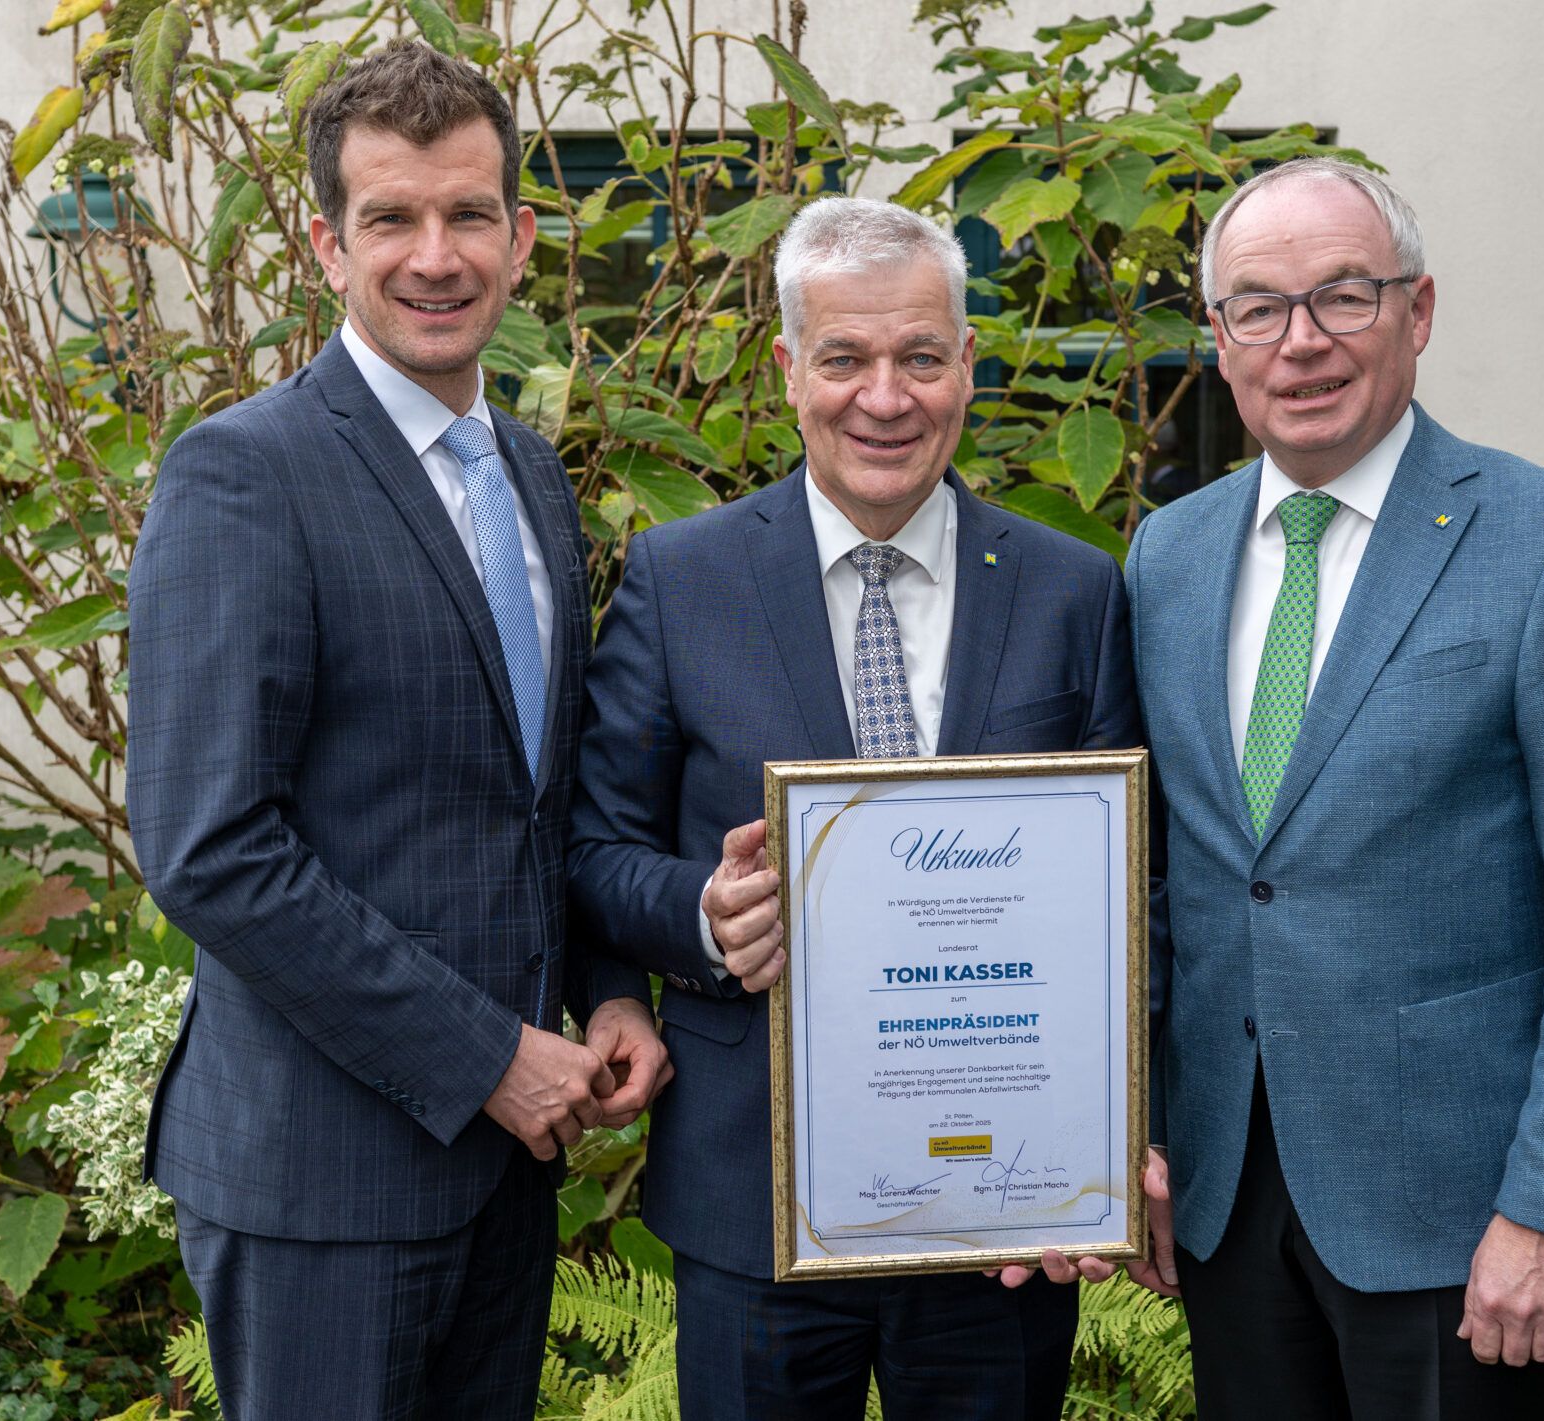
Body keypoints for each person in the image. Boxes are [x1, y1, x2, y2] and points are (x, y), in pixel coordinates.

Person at [127, 41, 669, 1421]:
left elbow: (538, 804)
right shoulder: (246, 474)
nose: (437, 255)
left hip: (504, 1172)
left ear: (521, 234)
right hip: (323, 1182)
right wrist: (486, 1054)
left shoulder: (534, 476)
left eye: (469, 214)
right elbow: (209, 847)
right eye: (392, 219)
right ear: (326, 244)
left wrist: (608, 991)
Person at [1118, 157, 1544, 1416]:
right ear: (1216, 341)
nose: (1299, 342)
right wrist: (1134, 1136)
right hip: (1222, 1200)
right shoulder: (1168, 551)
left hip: (1459, 1220)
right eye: (1257, 307)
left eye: (1343, 297)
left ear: (1416, 312)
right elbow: (1159, 880)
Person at [566, 195, 1139, 1420]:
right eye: (845, 358)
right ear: (788, 371)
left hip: (1006, 1202)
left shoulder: (1073, 591)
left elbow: (1132, 893)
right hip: (752, 1195)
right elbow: (592, 845)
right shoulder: (682, 580)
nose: (884, 395)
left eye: (919, 356)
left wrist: (1115, 1132)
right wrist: (705, 913)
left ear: (965, 366)